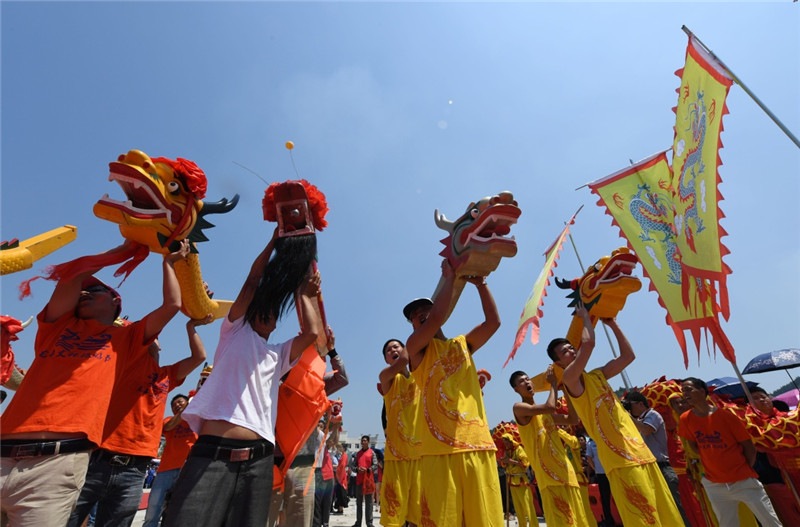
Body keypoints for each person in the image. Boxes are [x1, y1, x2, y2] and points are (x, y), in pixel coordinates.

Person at [1, 241, 186, 526]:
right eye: (83, 290)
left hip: (55, 465)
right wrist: (123, 250)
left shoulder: (126, 341)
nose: (85, 292)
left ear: (115, 303)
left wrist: (169, 263)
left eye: (96, 289)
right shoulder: (56, 326)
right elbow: (72, 276)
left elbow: (172, 305)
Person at [162, 230, 323, 527]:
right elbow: (252, 281)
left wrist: (304, 295)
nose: (269, 315)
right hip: (212, 454)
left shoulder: (278, 353)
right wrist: (274, 240)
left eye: (274, 314)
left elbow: (312, 334)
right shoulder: (234, 331)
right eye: (263, 309)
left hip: (259, 460)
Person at [68, 270, 209, 527]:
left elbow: (199, 358)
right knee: (71, 519)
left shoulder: (166, 376)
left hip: (136, 467)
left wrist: (191, 326)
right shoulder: (125, 364)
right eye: (150, 341)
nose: (155, 343)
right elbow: (150, 324)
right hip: (100, 458)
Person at [548, 304, 683, 525]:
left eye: (572, 348)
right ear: (559, 363)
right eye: (565, 352)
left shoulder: (597, 375)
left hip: (640, 450)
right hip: (618, 458)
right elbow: (589, 343)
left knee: (664, 510)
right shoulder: (570, 379)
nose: (572, 351)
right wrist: (585, 316)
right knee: (642, 516)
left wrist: (613, 324)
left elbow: (628, 356)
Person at [403, 260, 504, 526]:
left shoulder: (463, 345)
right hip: (438, 449)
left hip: (477, 442)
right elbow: (437, 317)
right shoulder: (414, 348)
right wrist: (450, 277)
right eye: (415, 315)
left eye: (425, 308)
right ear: (413, 325)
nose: (422, 314)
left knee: (483, 519)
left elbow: (493, 322)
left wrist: (481, 284)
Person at [269, 326, 348, 527]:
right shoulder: (270, 373)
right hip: (269, 460)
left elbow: (342, 378)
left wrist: (332, 351)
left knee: (300, 518)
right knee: (265, 518)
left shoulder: (315, 384)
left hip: (302, 463)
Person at [678, 377, 783, 527]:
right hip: (714, 485)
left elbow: (749, 447)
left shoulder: (726, 416)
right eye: (683, 391)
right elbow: (693, 445)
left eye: (688, 389)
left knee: (770, 522)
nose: (684, 394)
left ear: (702, 391)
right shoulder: (685, 419)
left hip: (744, 481)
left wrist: (742, 469)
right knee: (727, 524)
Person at [511, 367, 593, 527]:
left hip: (567, 473)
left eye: (528, 379)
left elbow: (573, 419)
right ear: (516, 389)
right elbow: (549, 406)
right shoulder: (519, 408)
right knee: (563, 521)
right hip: (549, 478)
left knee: (579, 520)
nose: (527, 382)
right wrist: (554, 384)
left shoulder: (545, 415)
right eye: (522, 381)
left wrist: (566, 390)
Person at [624, 390, 691, 526]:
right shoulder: (639, 420)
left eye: (630, 405)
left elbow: (647, 430)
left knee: (675, 508)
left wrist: (626, 415)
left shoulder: (652, 415)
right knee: (661, 509)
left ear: (640, 404)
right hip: (651, 470)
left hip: (662, 468)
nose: (629, 408)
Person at [378, 338, 421, 527]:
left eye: (396, 346)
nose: (393, 350)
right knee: (395, 517)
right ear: (387, 360)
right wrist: (411, 347)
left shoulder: (421, 377)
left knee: (418, 514)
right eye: (388, 350)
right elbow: (403, 361)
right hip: (396, 457)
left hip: (420, 455)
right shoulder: (386, 378)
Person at [142, 393, 199, 527]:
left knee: (182, 507)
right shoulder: (168, 420)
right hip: (165, 470)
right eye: (174, 405)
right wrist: (185, 410)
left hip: (188, 470)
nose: (177, 405)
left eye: (180, 402)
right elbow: (168, 427)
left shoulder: (197, 421)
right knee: (154, 507)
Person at [499, 434, 536, 527]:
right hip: (511, 481)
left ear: (511, 441)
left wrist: (511, 461)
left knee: (527, 506)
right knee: (518, 508)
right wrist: (503, 461)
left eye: (506, 442)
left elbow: (525, 463)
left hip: (521, 481)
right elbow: (505, 465)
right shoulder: (507, 451)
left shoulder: (519, 449)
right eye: (504, 442)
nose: (505, 444)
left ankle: (533, 525)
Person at [586, 437, 615, 527]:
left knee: (617, 497)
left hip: (613, 472)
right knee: (604, 498)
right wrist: (595, 469)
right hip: (601, 473)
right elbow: (589, 458)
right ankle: (608, 520)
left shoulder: (607, 438)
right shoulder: (591, 443)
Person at [350, 435, 378, 527]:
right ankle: (358, 522)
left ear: (368, 442)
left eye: (365, 440)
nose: (363, 442)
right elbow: (353, 466)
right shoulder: (358, 454)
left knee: (369, 503)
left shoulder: (372, 453)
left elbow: (375, 465)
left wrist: (368, 470)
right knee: (359, 502)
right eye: (362, 441)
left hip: (368, 481)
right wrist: (358, 469)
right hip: (359, 481)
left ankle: (369, 523)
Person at [333, 443, 349, 514]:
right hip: (340, 476)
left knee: (341, 494)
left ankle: (340, 509)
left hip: (341, 477)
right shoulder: (343, 455)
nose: (340, 448)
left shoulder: (344, 455)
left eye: (341, 447)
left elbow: (342, 466)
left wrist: (339, 478)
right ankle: (339, 508)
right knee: (339, 493)